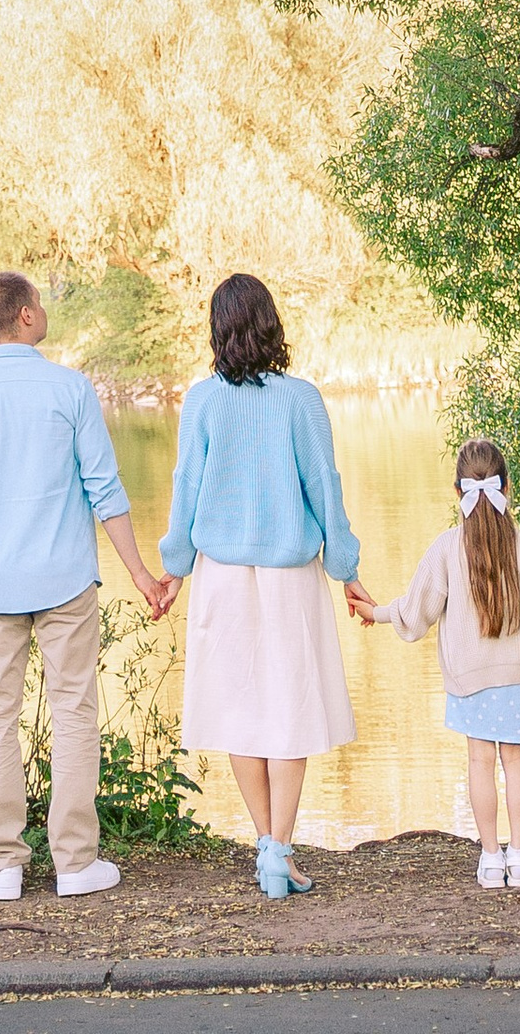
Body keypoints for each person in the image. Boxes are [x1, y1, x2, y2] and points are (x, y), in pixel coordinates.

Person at [0, 270, 169, 905]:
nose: (44, 309)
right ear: (27, 317)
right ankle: (73, 861)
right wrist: (142, 575)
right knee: (73, 714)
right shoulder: (70, 389)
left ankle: (5, 863)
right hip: (64, 582)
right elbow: (105, 491)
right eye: (40, 302)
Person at [153, 271, 371, 902]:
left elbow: (185, 490)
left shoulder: (202, 400)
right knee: (287, 711)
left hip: (222, 576)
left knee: (243, 713)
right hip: (288, 578)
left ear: (218, 331)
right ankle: (279, 848)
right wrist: (348, 570)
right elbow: (324, 488)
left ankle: (267, 848)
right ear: (271, 323)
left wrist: (174, 566)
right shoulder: (301, 399)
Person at [352, 436, 520, 892]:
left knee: (480, 761)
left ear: (457, 490)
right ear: (507, 487)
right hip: (516, 673)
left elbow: (418, 607)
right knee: (516, 760)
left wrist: (377, 612)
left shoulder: (448, 547)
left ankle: (490, 859)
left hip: (470, 680)